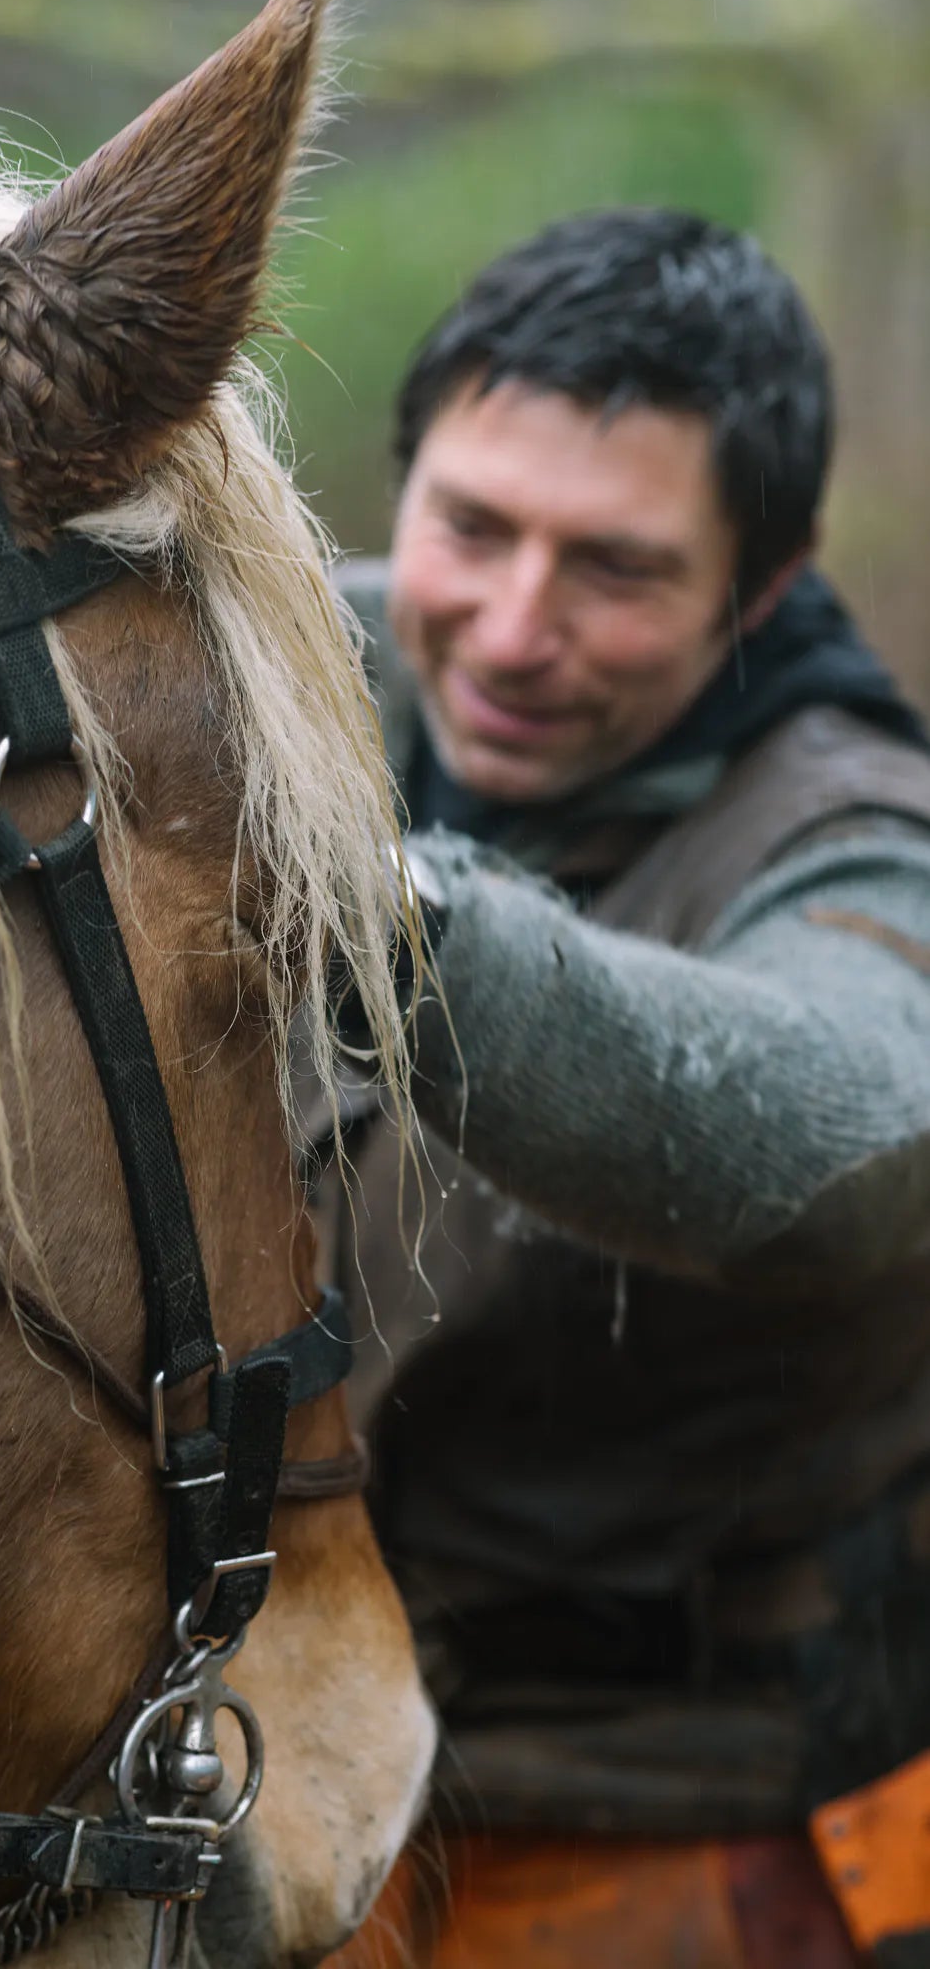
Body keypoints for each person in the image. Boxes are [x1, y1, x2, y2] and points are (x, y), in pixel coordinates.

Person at [319, 208, 930, 1969]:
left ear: (764, 580)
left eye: (617, 569)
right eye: (470, 527)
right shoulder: (289, 669)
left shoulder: (858, 841)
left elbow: (818, 1136)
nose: (513, 628)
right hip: (279, 1768)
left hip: (680, 1836)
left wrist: (371, 905)